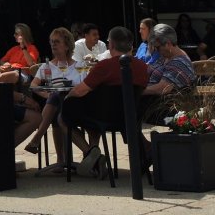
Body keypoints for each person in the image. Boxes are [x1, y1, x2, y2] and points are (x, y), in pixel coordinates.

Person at [59, 26, 148, 177]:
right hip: (130, 119)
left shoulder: (104, 66)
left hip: (103, 117)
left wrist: (68, 97)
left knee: (63, 117)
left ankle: (91, 153)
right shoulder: (142, 67)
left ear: (111, 44)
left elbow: (80, 90)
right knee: (92, 113)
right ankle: (95, 161)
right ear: (131, 45)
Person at [23, 26, 82, 156]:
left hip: (75, 106)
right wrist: (46, 95)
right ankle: (63, 160)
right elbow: (33, 85)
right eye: (52, 42)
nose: (53, 44)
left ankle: (38, 139)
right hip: (55, 107)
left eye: (57, 41)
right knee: (55, 98)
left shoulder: (79, 66)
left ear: (67, 46)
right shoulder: (47, 66)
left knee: (56, 100)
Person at [143, 24, 196, 97]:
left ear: (168, 44)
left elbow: (162, 89)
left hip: (158, 103)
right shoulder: (166, 56)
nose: (156, 51)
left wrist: (136, 92)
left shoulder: (180, 64)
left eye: (157, 47)